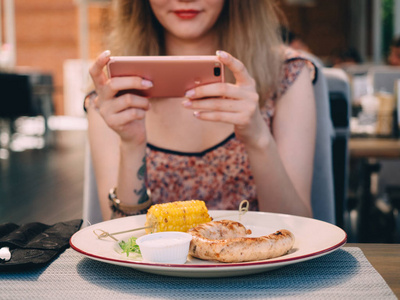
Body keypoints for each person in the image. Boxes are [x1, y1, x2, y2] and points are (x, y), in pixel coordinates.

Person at [86, 0, 316, 221]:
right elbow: (117, 239)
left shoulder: (286, 74)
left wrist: (258, 138)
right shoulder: (111, 93)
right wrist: (131, 146)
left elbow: (299, 230)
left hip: (262, 260)